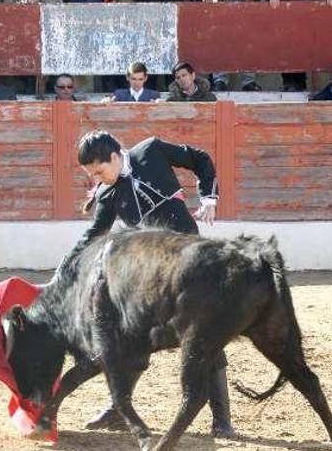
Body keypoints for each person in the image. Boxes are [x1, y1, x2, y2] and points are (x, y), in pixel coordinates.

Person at [62, 130, 233, 438]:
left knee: (203, 335)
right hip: (152, 272)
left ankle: (222, 420)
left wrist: (209, 197)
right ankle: (118, 409)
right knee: (129, 336)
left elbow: (200, 159)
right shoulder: (108, 193)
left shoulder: (151, 151)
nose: (98, 179)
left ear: (114, 156)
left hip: (190, 264)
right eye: (92, 175)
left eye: (99, 171)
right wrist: (65, 267)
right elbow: (93, 235)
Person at [201, 0, 263, 91]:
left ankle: (249, 82)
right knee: (221, 41)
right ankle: (219, 80)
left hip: (248, 2)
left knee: (249, 42)